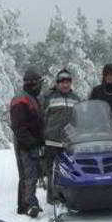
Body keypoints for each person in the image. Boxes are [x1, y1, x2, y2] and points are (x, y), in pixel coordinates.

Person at [10, 68, 45, 217]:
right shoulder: (21, 100)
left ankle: (27, 202)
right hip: (25, 145)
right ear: (33, 84)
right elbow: (19, 127)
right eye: (39, 84)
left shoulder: (32, 98)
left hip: (33, 143)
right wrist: (31, 143)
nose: (41, 87)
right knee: (28, 175)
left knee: (33, 174)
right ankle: (27, 205)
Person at [42, 68, 81, 202]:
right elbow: (42, 117)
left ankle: (69, 195)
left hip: (69, 141)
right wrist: (43, 134)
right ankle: (53, 197)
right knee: (53, 169)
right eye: (62, 82)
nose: (65, 85)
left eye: (68, 82)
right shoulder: (49, 97)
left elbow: (79, 119)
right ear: (57, 83)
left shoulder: (76, 99)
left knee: (69, 169)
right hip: (52, 140)